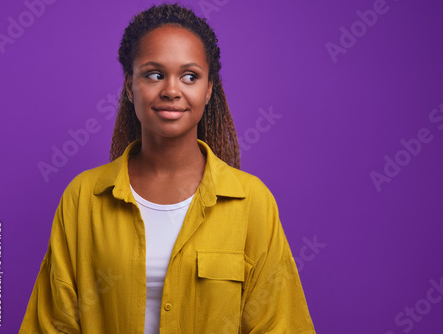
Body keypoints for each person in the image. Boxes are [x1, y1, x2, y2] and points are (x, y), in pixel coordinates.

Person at [19, 3, 315, 333]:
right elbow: (52, 325)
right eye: (155, 74)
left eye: (190, 76)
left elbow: (280, 324)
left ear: (208, 90)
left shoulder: (252, 203)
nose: (172, 90)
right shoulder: (83, 198)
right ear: (130, 86)